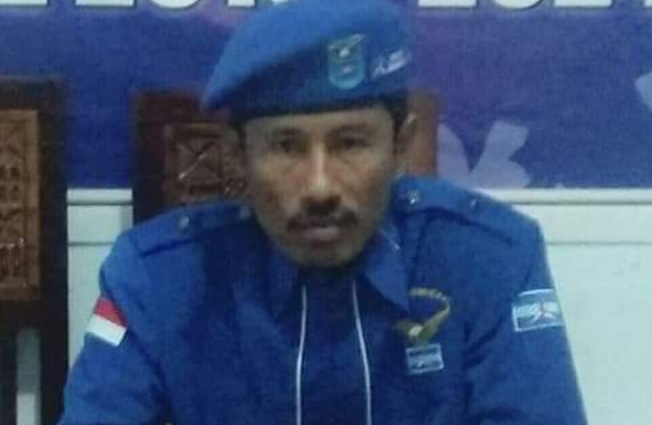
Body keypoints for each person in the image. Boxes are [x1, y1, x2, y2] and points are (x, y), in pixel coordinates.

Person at [59, 0, 587, 423]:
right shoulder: (157, 279)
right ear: (237, 155)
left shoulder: (489, 261)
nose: (319, 187)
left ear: (400, 145)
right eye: (285, 146)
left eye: (351, 143)